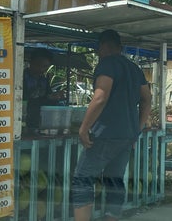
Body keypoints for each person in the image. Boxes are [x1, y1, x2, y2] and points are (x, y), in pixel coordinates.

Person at [71, 29, 152, 221]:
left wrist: (83, 128)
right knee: (114, 181)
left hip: (105, 134)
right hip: (126, 136)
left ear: (102, 46)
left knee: (83, 180)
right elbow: (147, 100)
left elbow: (100, 97)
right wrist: (137, 130)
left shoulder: (106, 65)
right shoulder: (134, 68)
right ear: (120, 47)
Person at [23, 48, 63, 134]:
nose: (41, 69)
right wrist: (48, 97)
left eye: (45, 66)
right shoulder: (21, 77)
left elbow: (49, 99)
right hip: (23, 121)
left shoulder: (44, 80)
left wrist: (55, 97)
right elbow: (22, 99)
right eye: (38, 65)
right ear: (30, 62)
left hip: (40, 123)